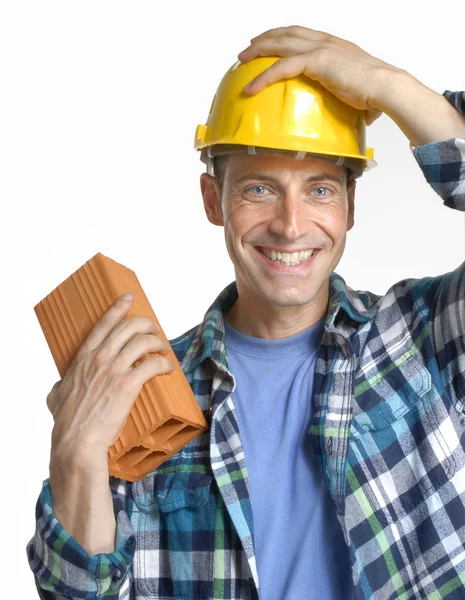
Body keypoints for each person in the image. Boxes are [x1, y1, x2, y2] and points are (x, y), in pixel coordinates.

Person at [27, 26, 465, 600]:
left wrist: (393, 86)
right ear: (215, 201)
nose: (290, 224)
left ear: (351, 206)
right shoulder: (144, 392)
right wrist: (77, 457)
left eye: (320, 190)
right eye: (259, 189)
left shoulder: (422, 334)